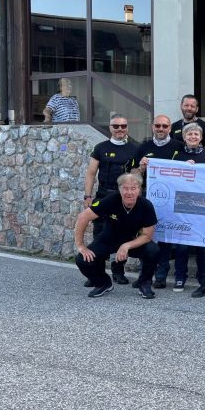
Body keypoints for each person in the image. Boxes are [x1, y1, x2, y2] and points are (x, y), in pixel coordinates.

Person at [74, 172, 159, 299]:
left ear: (139, 190)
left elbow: (147, 236)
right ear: (120, 189)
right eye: (125, 188)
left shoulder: (146, 206)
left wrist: (126, 246)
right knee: (82, 260)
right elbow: (83, 217)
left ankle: (144, 283)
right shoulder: (111, 199)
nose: (129, 192)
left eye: (133, 188)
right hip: (108, 239)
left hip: (132, 241)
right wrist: (80, 245)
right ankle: (103, 283)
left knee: (153, 250)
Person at [129, 115, 184, 288]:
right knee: (145, 236)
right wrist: (141, 168)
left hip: (171, 198)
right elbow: (133, 174)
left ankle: (161, 276)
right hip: (148, 197)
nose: (161, 129)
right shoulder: (143, 146)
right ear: (153, 127)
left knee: (165, 237)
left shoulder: (179, 146)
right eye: (158, 125)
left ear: (170, 128)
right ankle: (144, 276)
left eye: (164, 126)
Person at [82, 113, 136, 285]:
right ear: (110, 128)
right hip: (103, 195)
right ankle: (96, 273)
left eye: (123, 126)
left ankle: (118, 272)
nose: (120, 129)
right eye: (116, 126)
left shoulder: (134, 149)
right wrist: (88, 195)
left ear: (127, 128)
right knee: (99, 234)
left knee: (122, 234)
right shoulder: (100, 147)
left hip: (123, 198)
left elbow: (135, 176)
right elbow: (91, 173)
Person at [171, 123, 205, 295]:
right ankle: (180, 277)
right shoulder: (177, 155)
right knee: (182, 246)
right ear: (184, 137)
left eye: (196, 134)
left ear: (201, 137)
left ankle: (202, 279)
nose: (193, 137)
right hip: (184, 204)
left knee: (203, 245)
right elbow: (170, 176)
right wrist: (182, 167)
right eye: (189, 134)